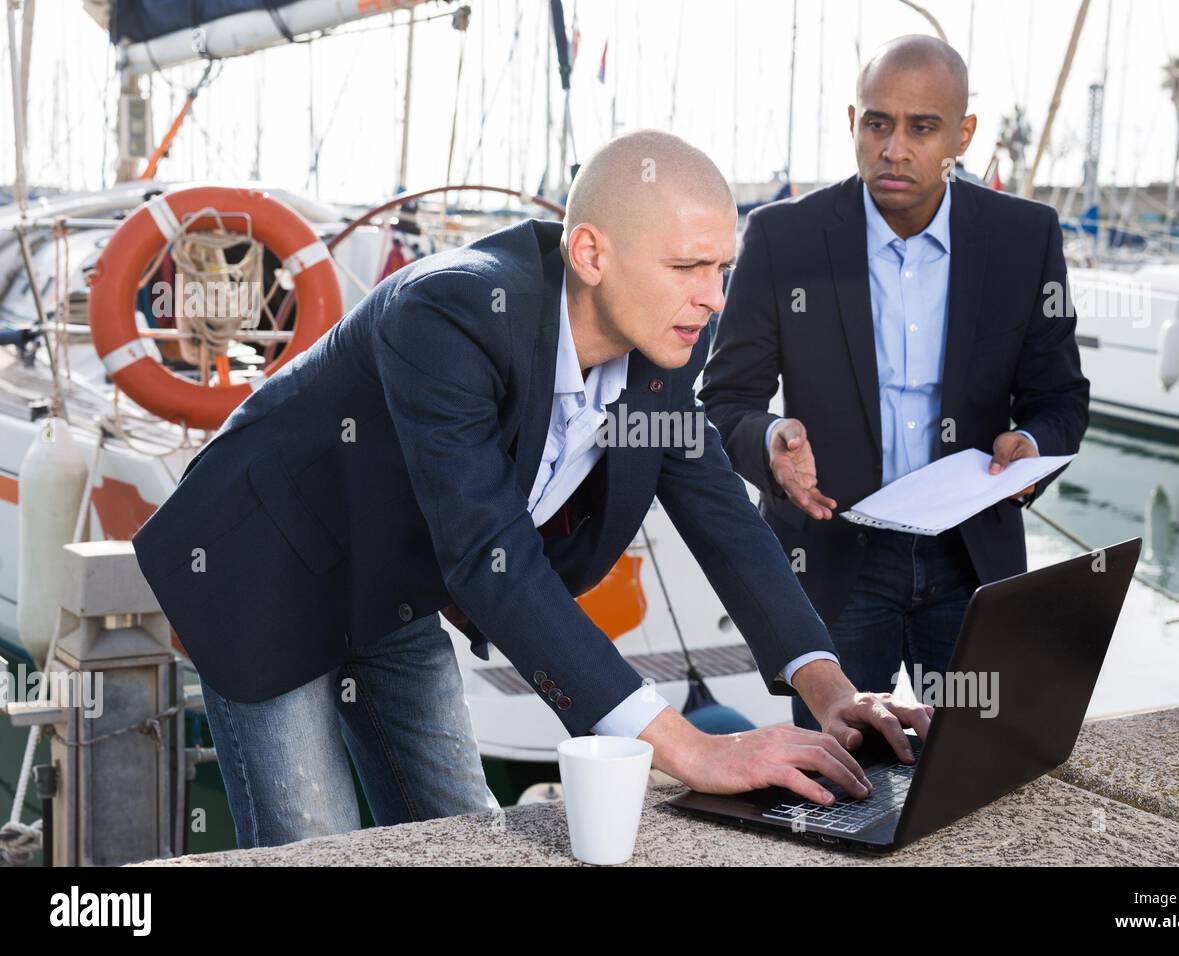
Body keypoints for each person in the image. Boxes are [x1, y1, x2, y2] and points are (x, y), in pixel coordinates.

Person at [133, 130, 933, 849]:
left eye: (723, 268)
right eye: (690, 267)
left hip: (397, 576)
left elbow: (720, 510)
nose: (714, 297)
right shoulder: (448, 311)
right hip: (266, 563)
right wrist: (690, 749)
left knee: (462, 827)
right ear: (591, 254)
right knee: (319, 843)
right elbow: (494, 557)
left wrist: (829, 689)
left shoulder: (668, 338)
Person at [700, 36, 1089, 731]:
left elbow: (1060, 400)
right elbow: (727, 401)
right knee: (835, 783)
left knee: (980, 768)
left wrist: (1029, 443)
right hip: (831, 559)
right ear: (854, 122)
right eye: (878, 123)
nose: (895, 148)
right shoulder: (783, 238)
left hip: (971, 562)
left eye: (922, 127)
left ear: (962, 134)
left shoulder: (1024, 239)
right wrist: (771, 440)